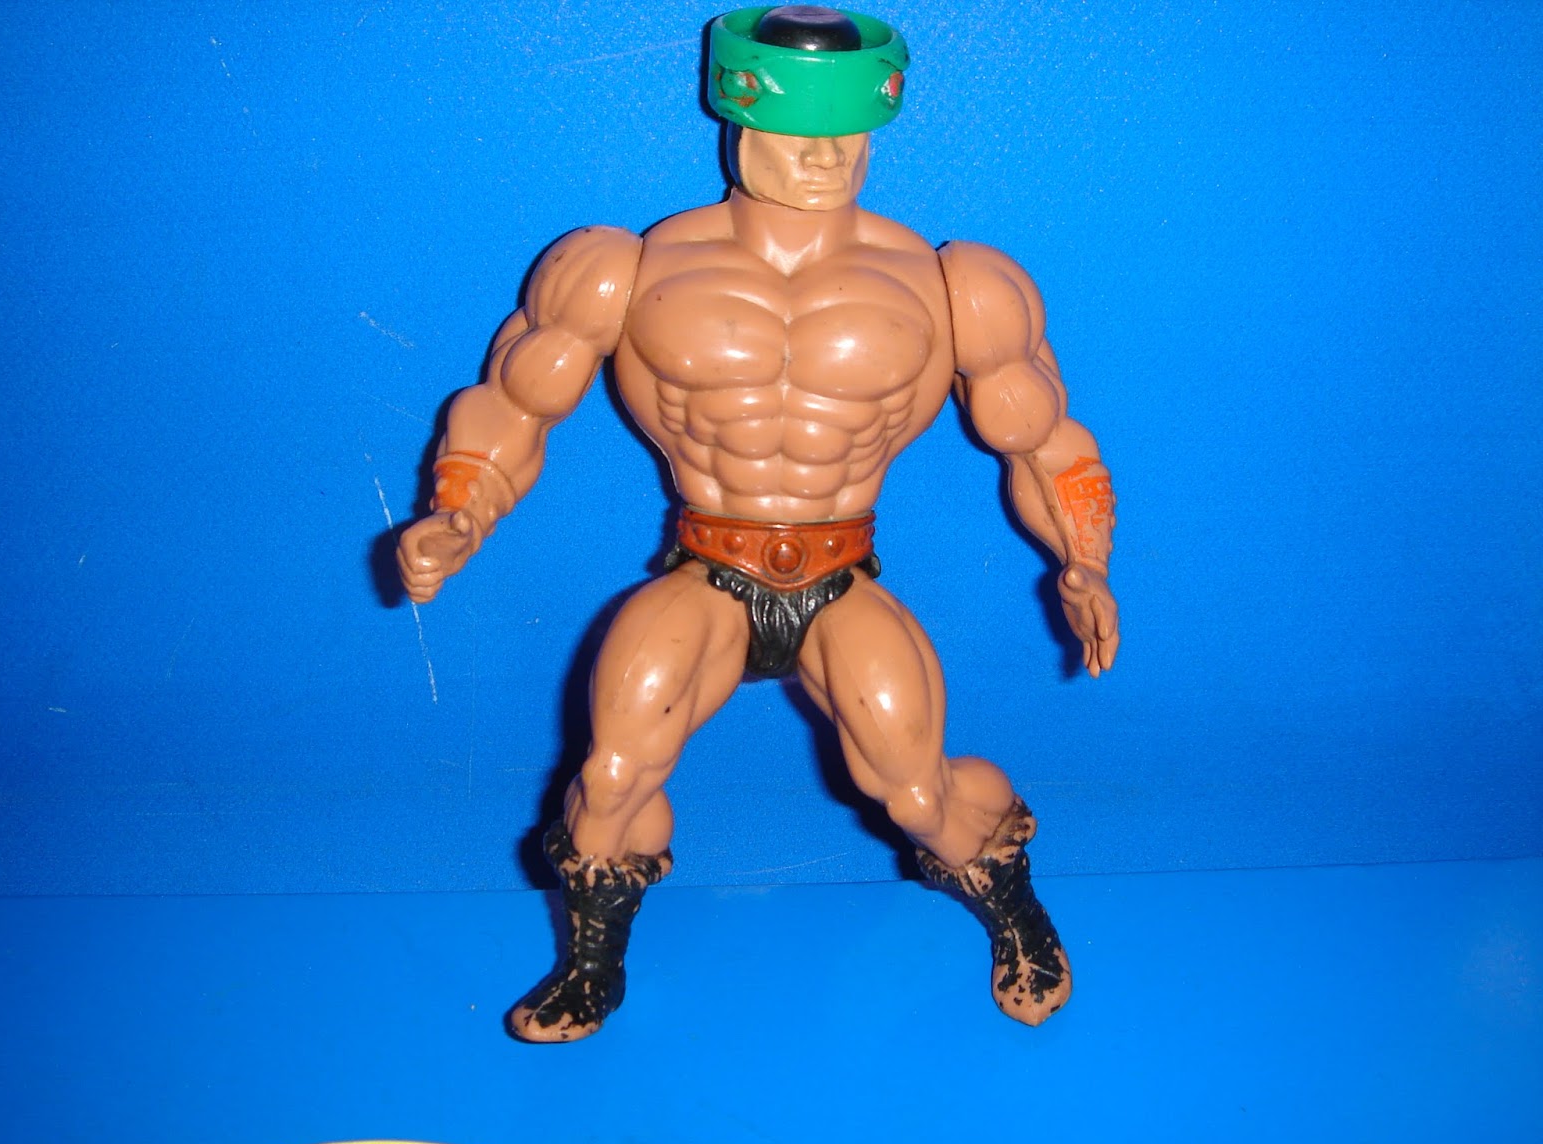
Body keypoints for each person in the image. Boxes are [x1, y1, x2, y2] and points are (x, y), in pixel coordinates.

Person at [398, 4, 1119, 1042]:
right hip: (707, 566)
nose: (825, 158)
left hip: (840, 572)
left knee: (915, 790)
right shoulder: (622, 266)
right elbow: (514, 404)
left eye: (847, 133)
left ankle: (1015, 904)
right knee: (610, 777)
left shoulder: (956, 284)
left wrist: (1084, 560)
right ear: (734, 114)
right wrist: (458, 512)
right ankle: (591, 968)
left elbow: (1044, 440)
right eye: (796, 132)